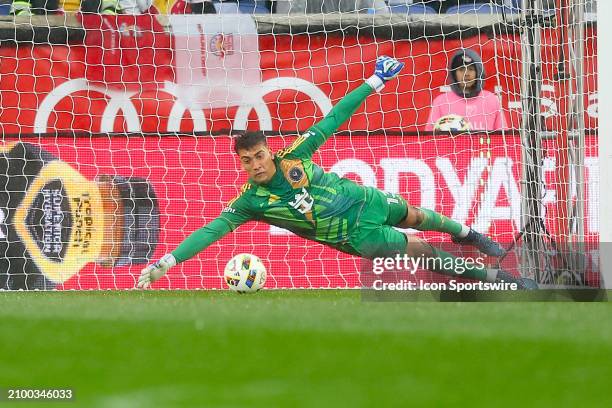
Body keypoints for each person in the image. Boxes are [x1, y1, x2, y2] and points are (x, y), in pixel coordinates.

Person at [138, 56, 534, 290]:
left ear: (268, 152)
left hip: (366, 199)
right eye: (247, 161)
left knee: (417, 215)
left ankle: (471, 235)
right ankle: (497, 279)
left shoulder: (295, 155)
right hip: (357, 235)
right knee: (422, 251)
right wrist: (166, 263)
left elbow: (333, 118)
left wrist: (374, 81)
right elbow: (210, 231)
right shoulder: (249, 203)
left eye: (258, 156)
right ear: (241, 165)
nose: (255, 165)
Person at [427, 49, 507, 132]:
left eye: (471, 69)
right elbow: (429, 139)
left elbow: (503, 138)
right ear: (454, 74)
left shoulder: (492, 100)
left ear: (478, 72)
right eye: (461, 69)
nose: (466, 74)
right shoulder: (441, 102)